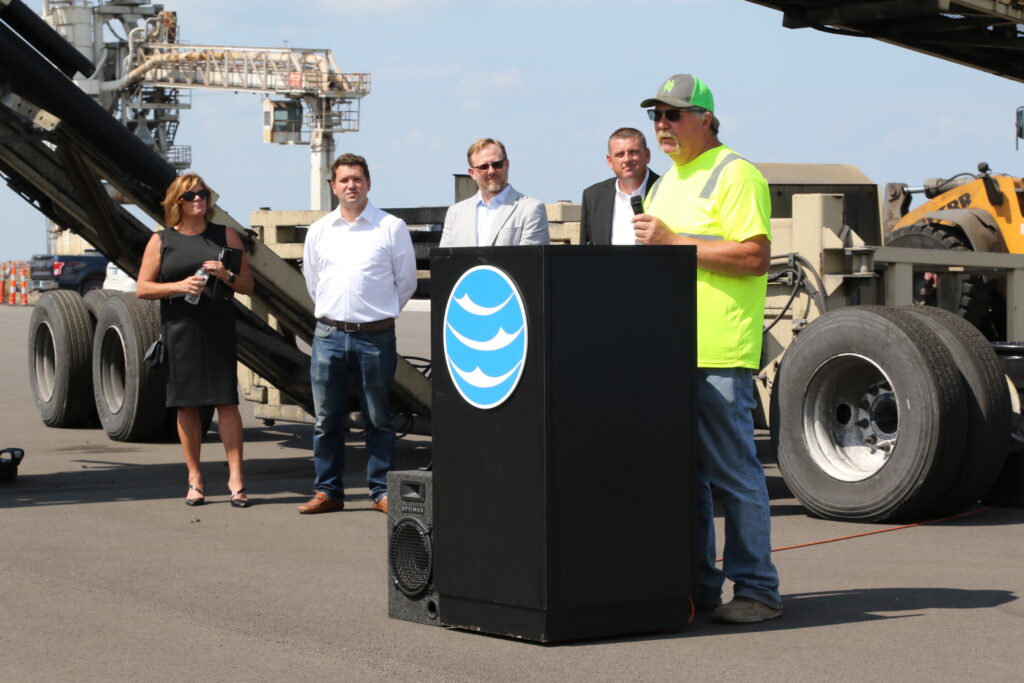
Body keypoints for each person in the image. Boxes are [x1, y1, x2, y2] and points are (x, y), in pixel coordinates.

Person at [632, 74, 782, 624]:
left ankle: (759, 590)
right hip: (673, 351)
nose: (663, 125)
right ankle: (700, 588)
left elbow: (754, 256)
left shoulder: (735, 173)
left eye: (673, 114)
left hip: (719, 351)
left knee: (734, 473)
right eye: (657, 116)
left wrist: (673, 242)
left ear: (706, 119)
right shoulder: (668, 181)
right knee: (687, 478)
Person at [298, 153, 417, 515]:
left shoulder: (390, 227)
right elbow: (313, 283)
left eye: (357, 179)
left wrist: (374, 315)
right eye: (344, 180)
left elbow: (406, 282)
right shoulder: (319, 230)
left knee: (378, 418)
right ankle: (328, 492)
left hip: (375, 337)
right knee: (326, 420)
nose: (351, 185)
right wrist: (340, 315)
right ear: (333, 186)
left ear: (369, 183)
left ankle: (381, 491)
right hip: (329, 335)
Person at [136, 173, 255, 508]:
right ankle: (195, 479)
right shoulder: (162, 240)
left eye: (202, 194)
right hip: (180, 328)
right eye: (191, 195)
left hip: (217, 325)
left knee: (226, 402)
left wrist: (226, 275)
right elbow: (143, 287)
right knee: (186, 404)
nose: (198, 199)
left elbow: (247, 285)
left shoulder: (225, 235)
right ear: (178, 202)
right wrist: (179, 286)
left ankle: (236, 480)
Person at [439, 138, 550, 247]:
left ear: (506, 165)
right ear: (472, 173)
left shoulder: (531, 209)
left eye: (497, 164)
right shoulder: (455, 213)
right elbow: (445, 261)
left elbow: (531, 261)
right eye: (483, 167)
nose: (491, 171)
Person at [579, 127, 660, 245]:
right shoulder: (593, 196)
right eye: (620, 154)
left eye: (633, 152)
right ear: (609, 161)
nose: (627, 159)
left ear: (647, 155)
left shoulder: (666, 189)